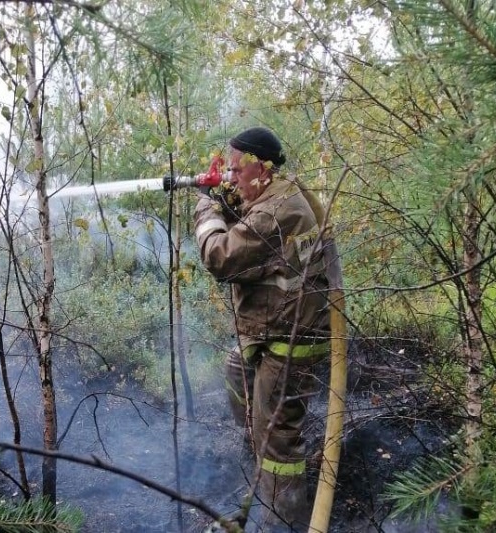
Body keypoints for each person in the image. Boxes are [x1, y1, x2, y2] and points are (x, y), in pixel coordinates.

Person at [193, 126, 331, 531]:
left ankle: (283, 519)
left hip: (291, 338)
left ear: (260, 168)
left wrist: (206, 208)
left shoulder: (279, 209)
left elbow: (222, 256)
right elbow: (254, 234)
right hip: (273, 327)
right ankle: (259, 460)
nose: (232, 178)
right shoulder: (276, 194)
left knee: (279, 439)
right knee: (237, 373)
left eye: (236, 171)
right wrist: (224, 198)